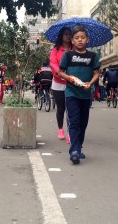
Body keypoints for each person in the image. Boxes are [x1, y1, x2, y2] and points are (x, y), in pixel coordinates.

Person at [58, 25, 100, 164]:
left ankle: (79, 147)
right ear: (72, 41)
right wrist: (69, 78)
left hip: (86, 94)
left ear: (87, 39)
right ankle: (74, 149)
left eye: (82, 37)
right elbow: (60, 72)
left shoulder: (93, 56)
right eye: (76, 38)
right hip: (71, 93)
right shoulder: (68, 55)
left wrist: (91, 83)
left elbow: (96, 73)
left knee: (83, 122)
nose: (80, 40)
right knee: (74, 121)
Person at [49, 27, 73, 141]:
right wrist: (60, 72)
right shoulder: (56, 50)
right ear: (61, 36)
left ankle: (70, 132)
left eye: (69, 34)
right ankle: (60, 129)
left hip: (71, 83)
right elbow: (53, 63)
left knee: (71, 108)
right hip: (58, 82)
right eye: (65, 34)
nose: (68, 36)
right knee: (61, 108)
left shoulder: (74, 49)